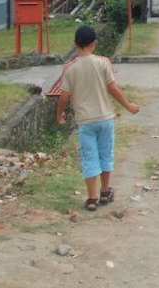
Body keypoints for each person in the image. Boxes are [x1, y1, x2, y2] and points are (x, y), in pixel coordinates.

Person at [55, 25, 140, 212]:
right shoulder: (103, 62)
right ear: (94, 44)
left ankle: (92, 198)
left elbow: (64, 96)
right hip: (105, 119)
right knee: (105, 155)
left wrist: (59, 114)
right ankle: (105, 191)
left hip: (85, 121)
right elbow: (113, 88)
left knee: (90, 158)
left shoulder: (70, 68)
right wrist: (129, 106)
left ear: (76, 44)